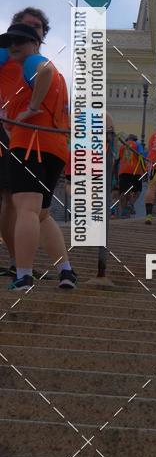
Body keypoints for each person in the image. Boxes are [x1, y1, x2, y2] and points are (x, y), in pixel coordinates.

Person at [0, 21, 75, 290]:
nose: (13, 46)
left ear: (35, 43)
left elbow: (44, 71)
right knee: (42, 213)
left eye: (19, 40)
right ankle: (66, 270)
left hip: (30, 144)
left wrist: (28, 110)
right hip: (54, 146)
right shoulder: (60, 78)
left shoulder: (34, 62)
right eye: (10, 42)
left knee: (27, 210)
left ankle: (24, 275)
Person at [117, 134, 146, 218]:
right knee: (137, 191)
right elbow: (140, 157)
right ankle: (130, 204)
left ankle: (124, 212)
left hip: (123, 171)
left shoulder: (123, 146)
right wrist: (145, 170)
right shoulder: (138, 144)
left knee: (124, 192)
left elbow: (119, 159)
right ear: (135, 139)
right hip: (135, 171)